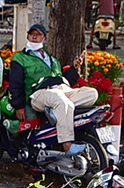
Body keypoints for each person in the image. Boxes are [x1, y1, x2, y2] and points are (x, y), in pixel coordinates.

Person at [6, 22, 97, 152]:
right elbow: (15, 83)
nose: (35, 37)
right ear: (28, 37)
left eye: (38, 35)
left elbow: (63, 79)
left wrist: (75, 68)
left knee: (91, 93)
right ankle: (67, 144)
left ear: (44, 38)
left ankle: (57, 110)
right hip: (39, 93)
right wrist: (19, 106)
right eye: (32, 34)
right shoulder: (20, 57)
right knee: (61, 101)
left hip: (61, 89)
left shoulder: (52, 59)